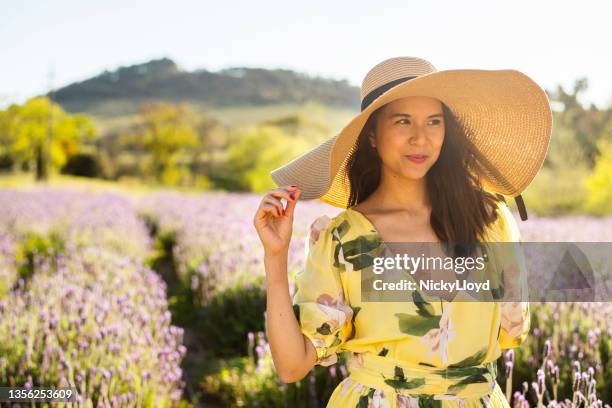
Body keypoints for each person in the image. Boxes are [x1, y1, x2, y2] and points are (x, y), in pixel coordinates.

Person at [253, 56, 552, 407]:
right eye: (403, 121)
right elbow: (291, 367)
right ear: (373, 137)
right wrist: (275, 257)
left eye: (433, 122)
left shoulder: (491, 221)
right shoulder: (343, 239)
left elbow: (508, 333)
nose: (420, 138)